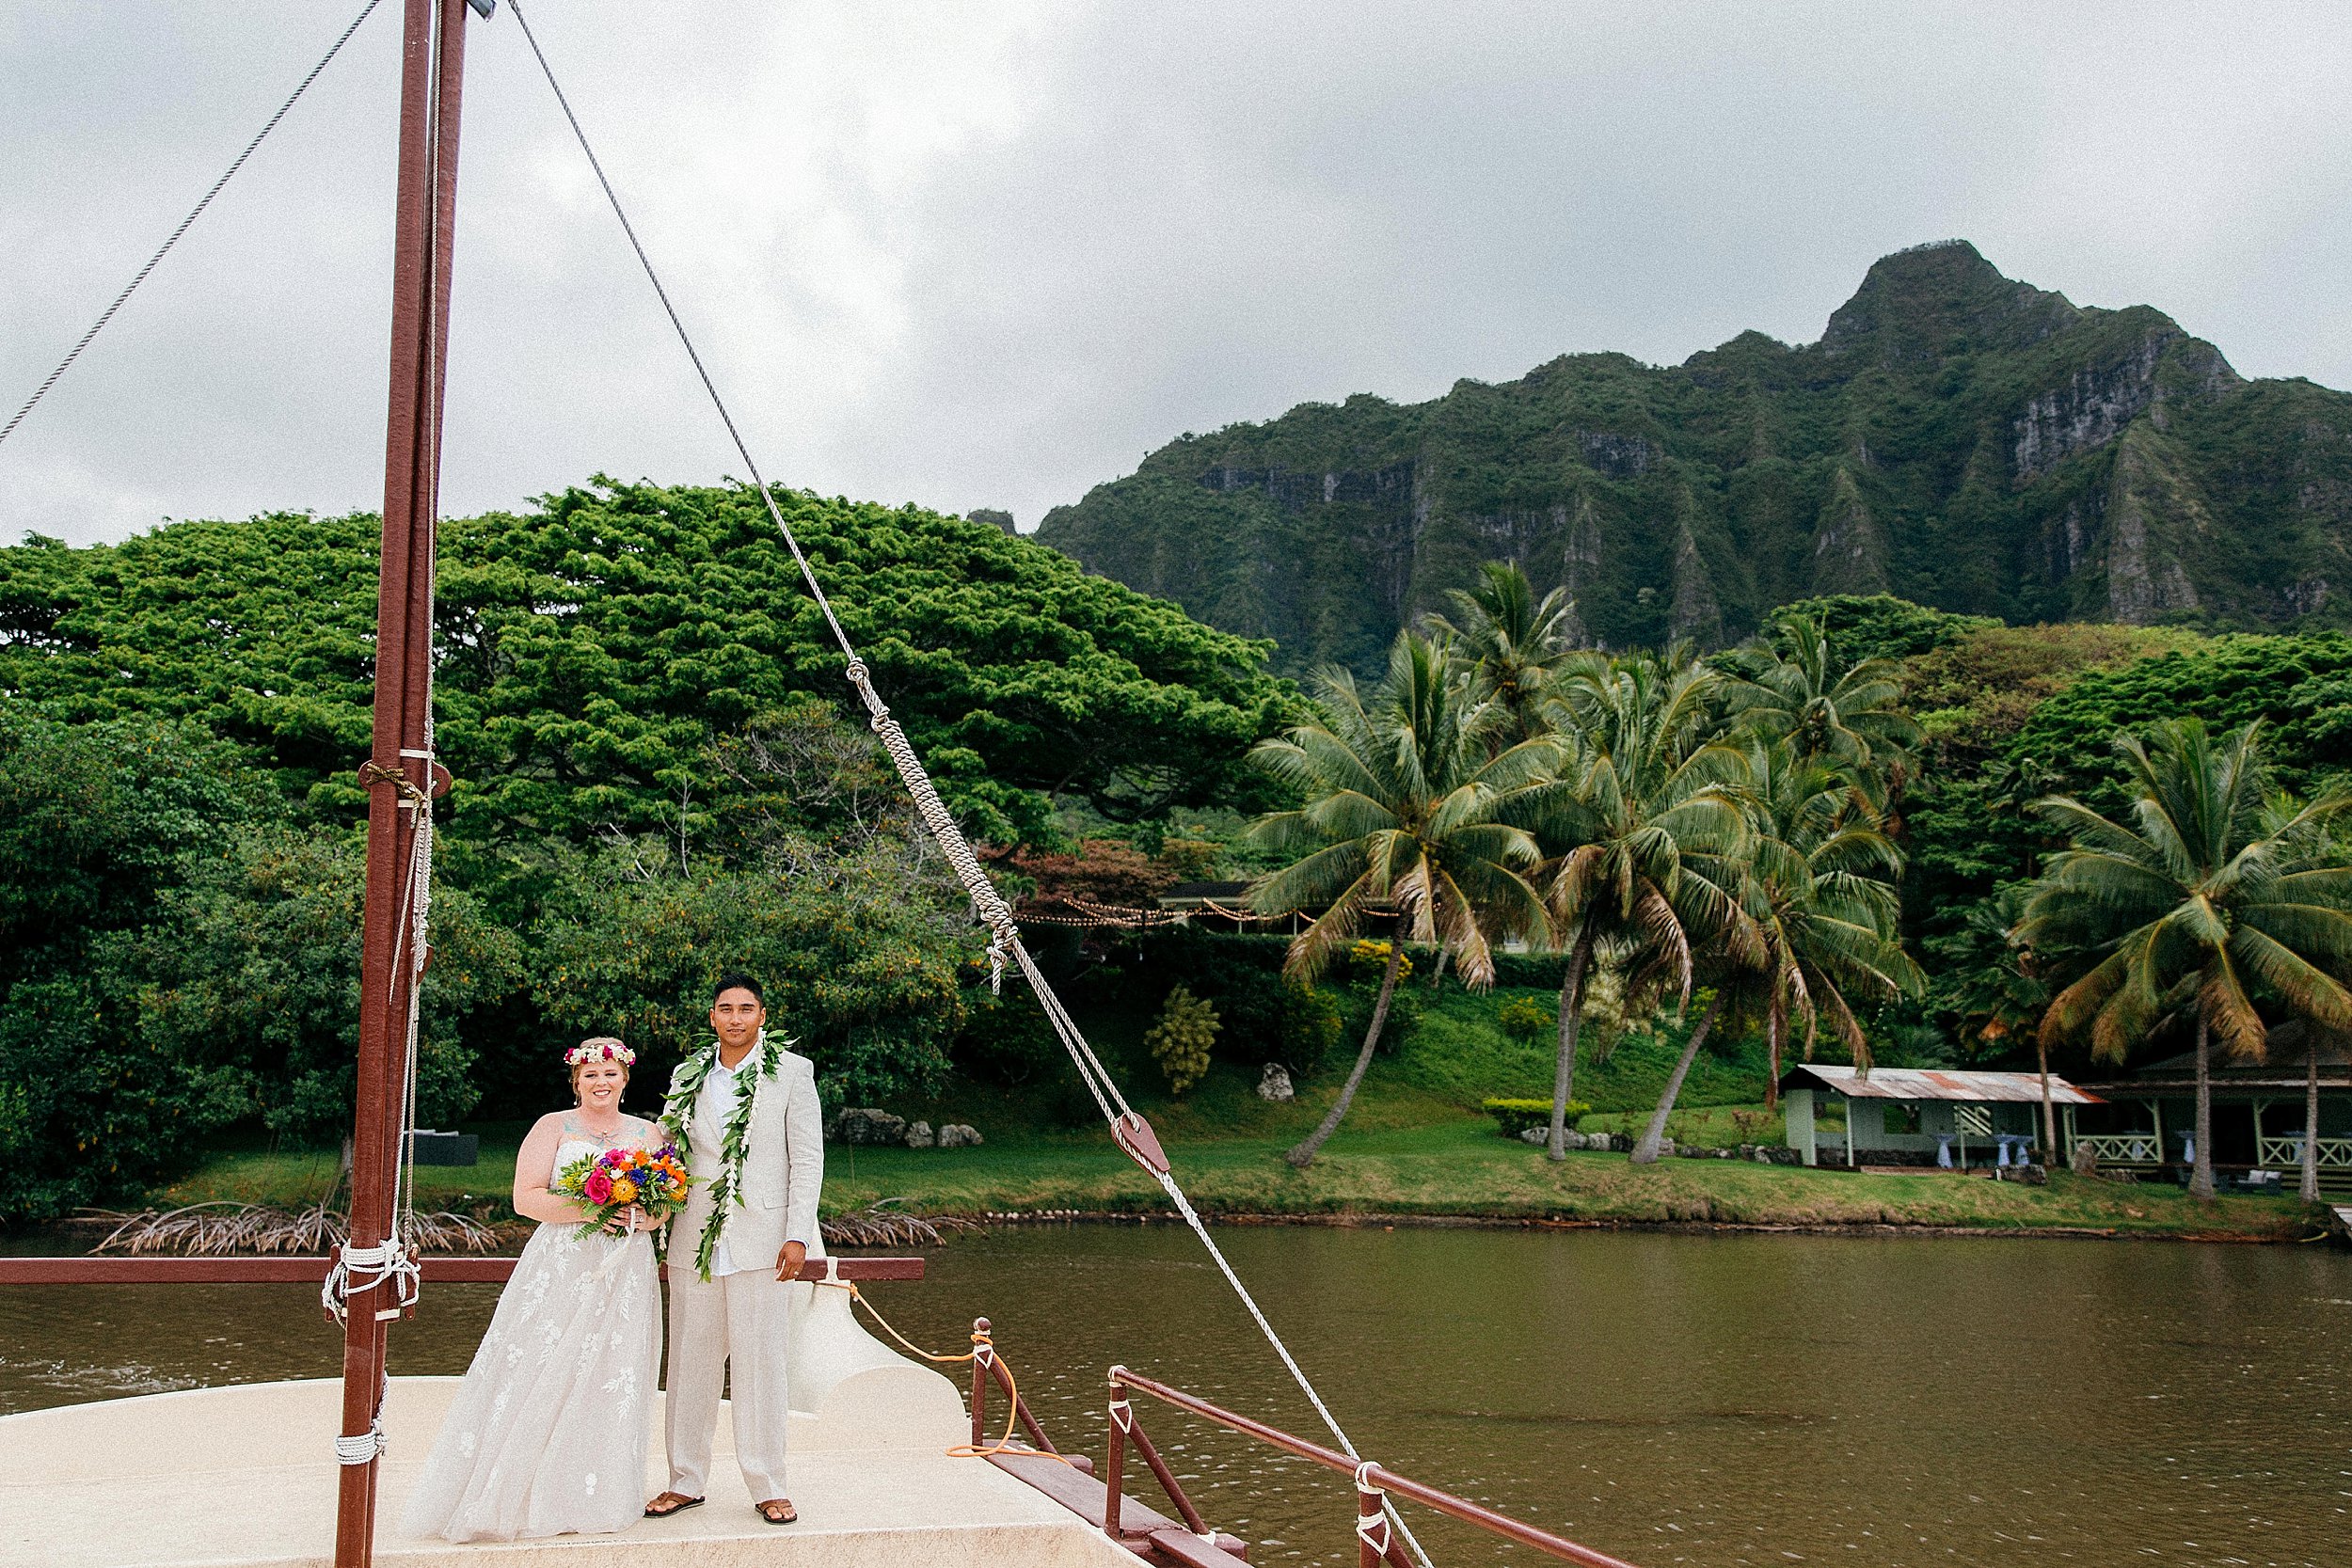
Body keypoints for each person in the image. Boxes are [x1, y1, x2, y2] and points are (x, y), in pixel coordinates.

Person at [400, 1037, 663, 1543]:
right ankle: (514, 1492)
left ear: (625, 1079)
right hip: (562, 1264)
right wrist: (594, 1210)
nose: (600, 1083)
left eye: (610, 1073)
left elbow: (664, 1206)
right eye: (590, 1075)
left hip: (625, 1268)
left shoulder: (649, 1134)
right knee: (540, 1366)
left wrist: (643, 1215)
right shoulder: (552, 1127)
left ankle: (592, 1493)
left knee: (610, 1372)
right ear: (575, 1082)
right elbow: (526, 1198)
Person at [643, 973, 824, 1528]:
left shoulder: (792, 1073)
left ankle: (768, 1483)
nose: (736, 1018)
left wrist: (797, 1233)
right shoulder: (687, 1074)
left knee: (761, 1366)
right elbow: (668, 1151)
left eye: (747, 1008)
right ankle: (685, 1480)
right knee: (690, 1365)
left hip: (764, 1243)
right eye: (726, 1008)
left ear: (762, 1016)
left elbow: (807, 1160)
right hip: (694, 1237)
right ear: (713, 1017)